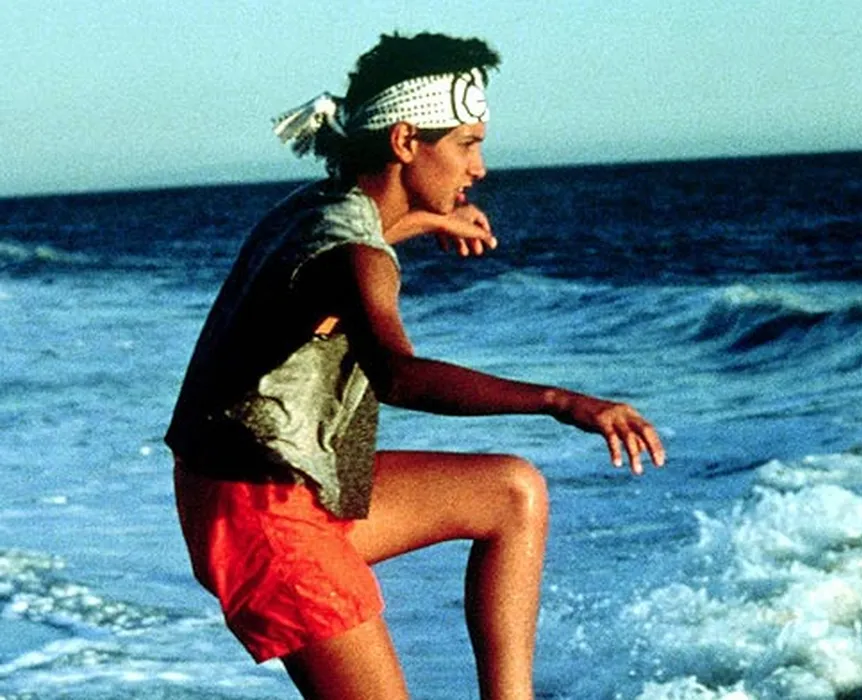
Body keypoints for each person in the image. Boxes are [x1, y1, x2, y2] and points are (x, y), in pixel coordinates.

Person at [165, 31, 665, 700]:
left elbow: (360, 232)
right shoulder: (355, 257)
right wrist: (560, 401)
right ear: (406, 141)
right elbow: (398, 374)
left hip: (264, 488)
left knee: (512, 492)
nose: (478, 167)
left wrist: (431, 220)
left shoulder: (318, 207)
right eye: (466, 144)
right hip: (264, 519)